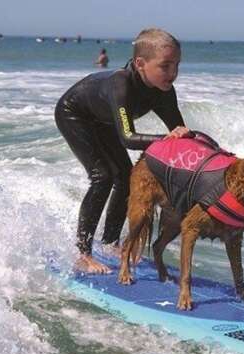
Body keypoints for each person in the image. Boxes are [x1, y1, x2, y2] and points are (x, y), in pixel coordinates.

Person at [55, 28, 191, 273]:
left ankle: (109, 243)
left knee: (125, 176)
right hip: (74, 113)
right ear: (140, 63)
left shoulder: (165, 92)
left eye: (177, 65)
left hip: (103, 119)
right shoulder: (121, 84)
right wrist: (167, 139)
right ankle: (82, 253)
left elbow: (180, 133)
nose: (173, 73)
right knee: (102, 176)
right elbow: (128, 137)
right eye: (165, 66)